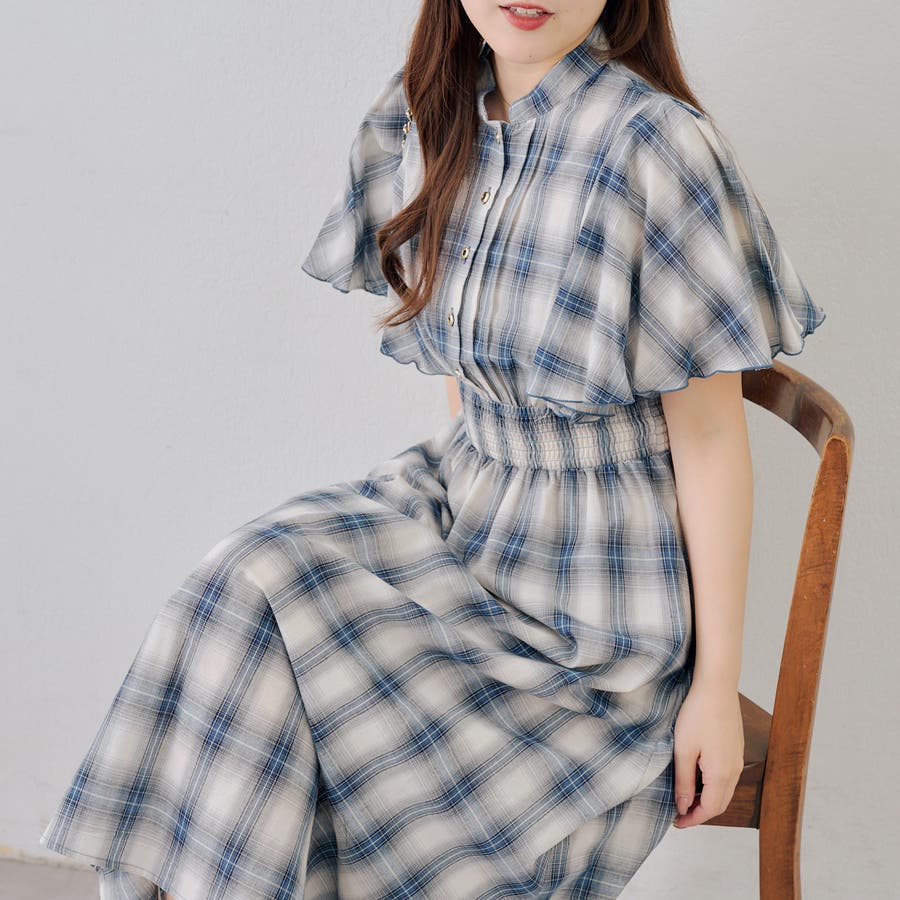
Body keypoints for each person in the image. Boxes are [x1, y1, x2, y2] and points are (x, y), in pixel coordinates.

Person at [38, 1, 826, 897]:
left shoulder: (658, 145)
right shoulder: (433, 113)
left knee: (290, 637)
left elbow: (713, 438)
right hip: (463, 506)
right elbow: (458, 360)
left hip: (591, 613)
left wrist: (715, 687)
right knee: (242, 586)